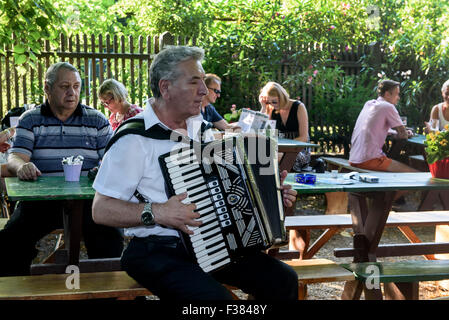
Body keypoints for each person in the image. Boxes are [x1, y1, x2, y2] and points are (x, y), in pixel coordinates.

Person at [92, 45, 299, 300]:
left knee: (283, 280)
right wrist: (158, 212)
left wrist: (270, 195)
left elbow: (227, 190)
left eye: (203, 81)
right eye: (194, 82)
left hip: (213, 243)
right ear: (165, 87)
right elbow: (100, 210)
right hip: (155, 250)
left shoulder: (202, 130)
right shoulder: (133, 138)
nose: (203, 90)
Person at [0, 62, 124, 276]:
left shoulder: (96, 120)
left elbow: (113, 161)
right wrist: (22, 166)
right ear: (47, 88)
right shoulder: (31, 119)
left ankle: (106, 292)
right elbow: (15, 157)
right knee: (11, 240)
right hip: (42, 201)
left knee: (110, 239)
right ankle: (18, 294)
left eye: (76, 86)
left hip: (89, 203)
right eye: (64, 86)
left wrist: (103, 167)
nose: (72, 93)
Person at [349, 79, 417, 173]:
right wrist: (406, 132)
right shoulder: (388, 106)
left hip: (353, 158)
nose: (398, 98)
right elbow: (403, 134)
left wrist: (395, 132)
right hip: (369, 160)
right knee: (414, 173)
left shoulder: (369, 104)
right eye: (397, 94)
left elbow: (374, 129)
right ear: (387, 94)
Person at [259, 81, 311, 172]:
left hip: (299, 149)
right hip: (279, 149)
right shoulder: (271, 109)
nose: (272, 105)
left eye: (274, 101)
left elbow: (304, 137)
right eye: (268, 102)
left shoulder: (298, 107)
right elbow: (262, 130)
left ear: (282, 97)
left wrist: (285, 149)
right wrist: (263, 107)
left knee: (275, 157)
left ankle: (279, 182)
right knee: (261, 156)